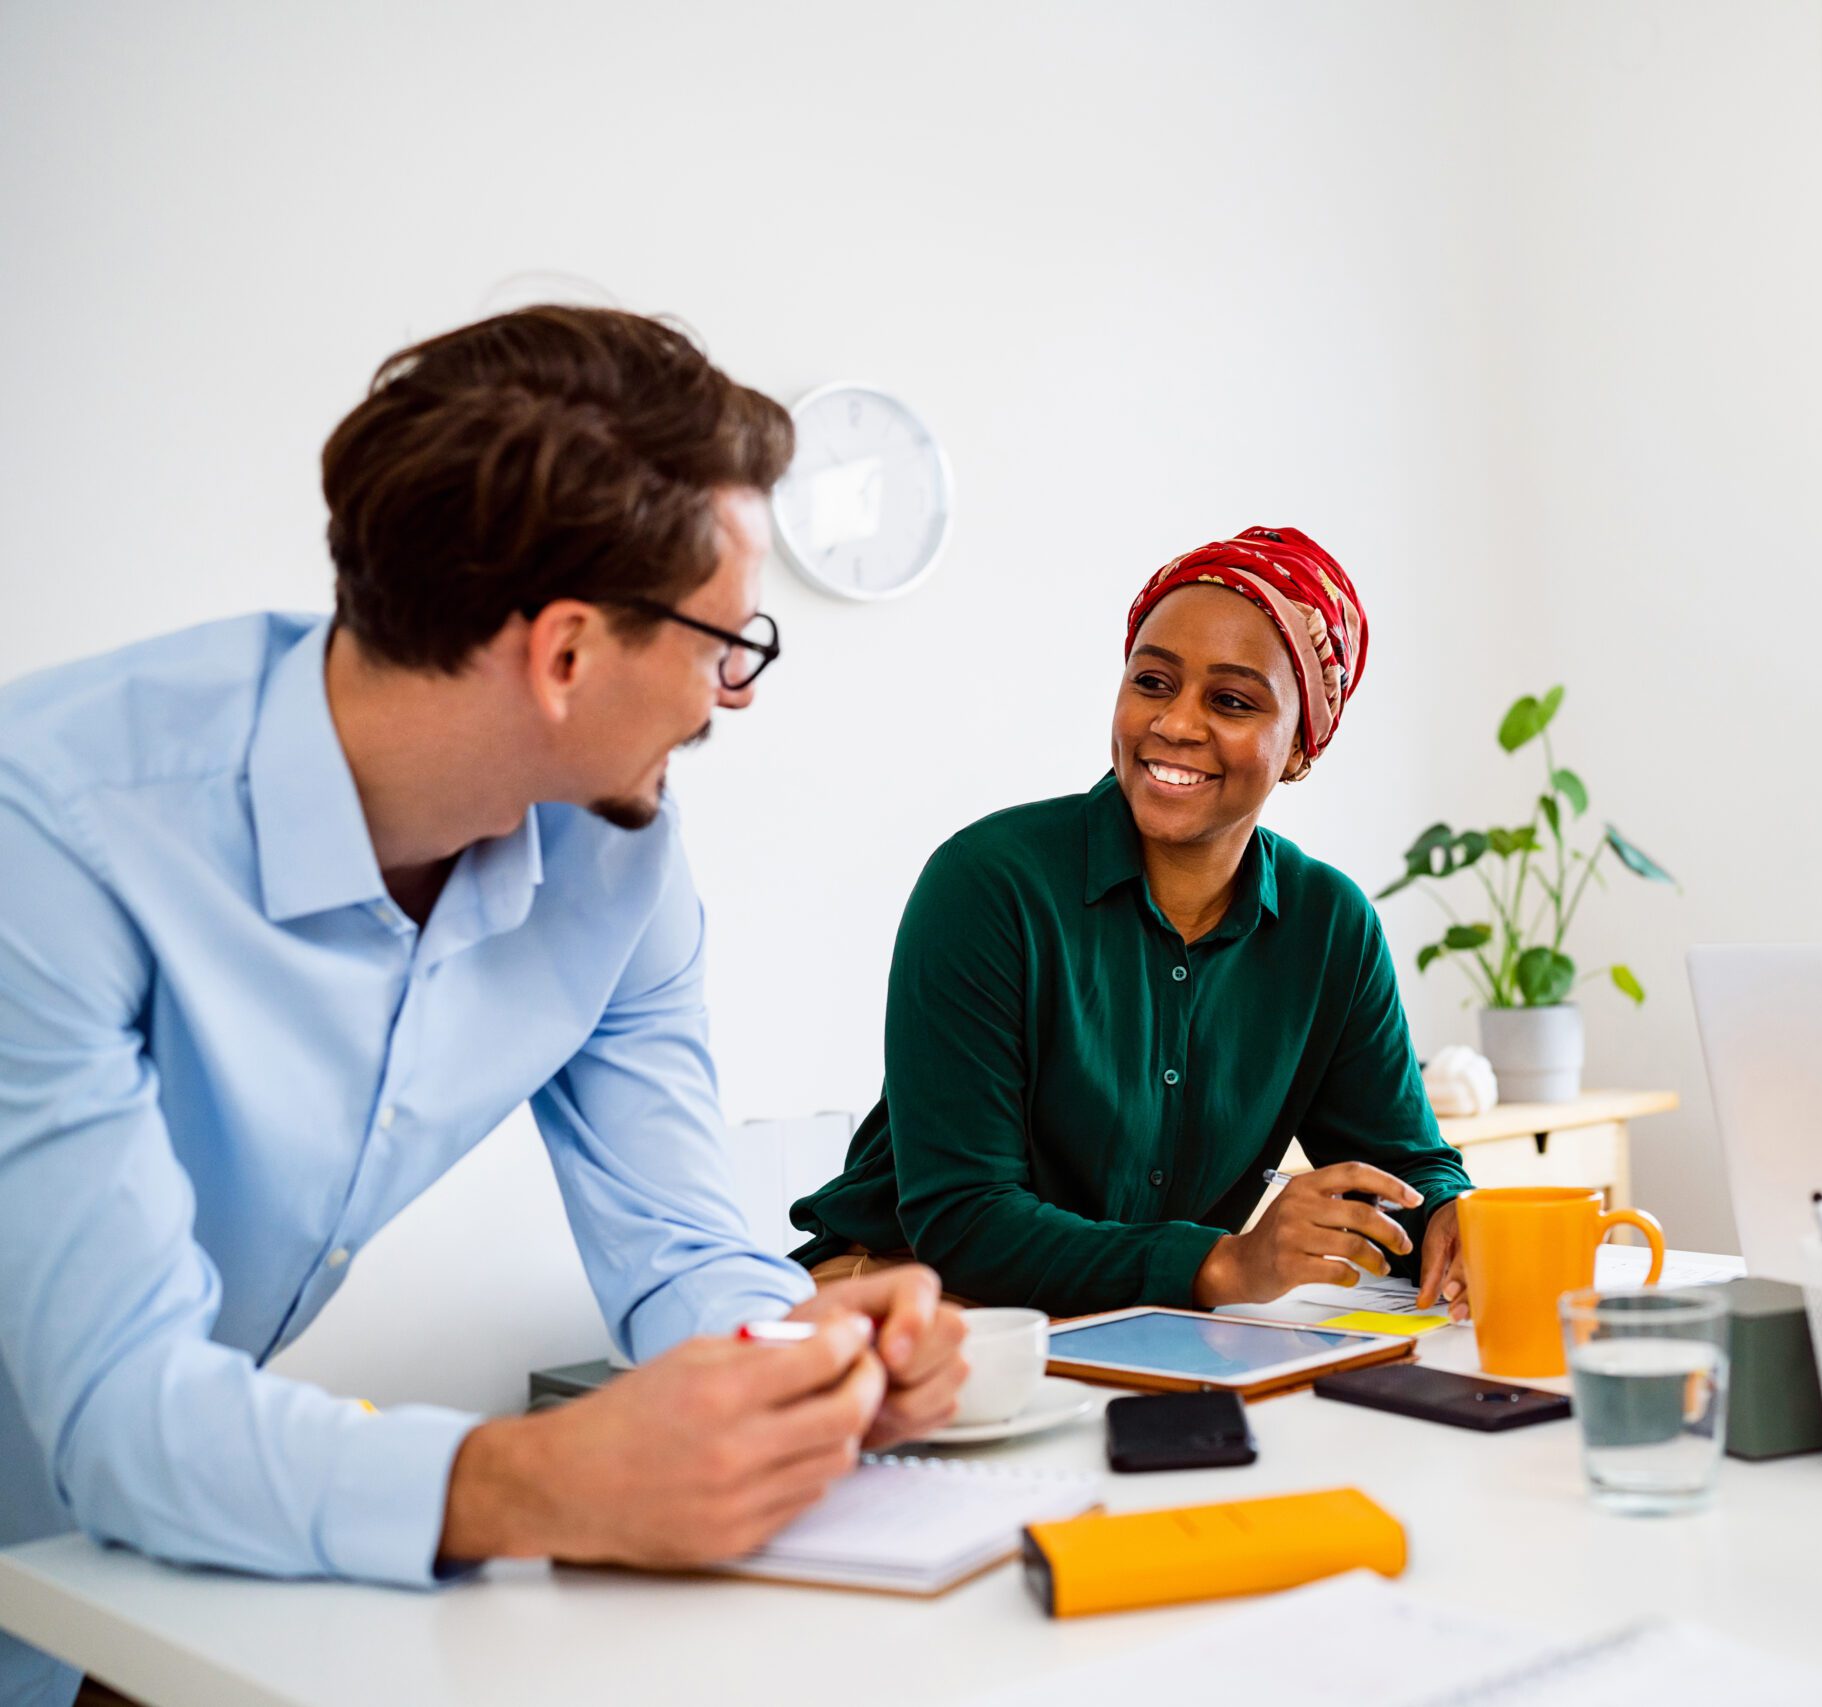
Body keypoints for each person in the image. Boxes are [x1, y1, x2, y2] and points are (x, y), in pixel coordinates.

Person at [0, 307, 965, 1707]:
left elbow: (681, 1239)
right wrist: (534, 1477)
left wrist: (808, 1366)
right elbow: (122, 1412)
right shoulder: (56, 832)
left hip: (135, 1562)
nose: (733, 693)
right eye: (723, 641)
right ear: (566, 653)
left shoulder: (618, 852)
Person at [789, 527, 1476, 1318]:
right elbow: (964, 1217)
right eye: (1153, 682)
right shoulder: (987, 883)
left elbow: (1402, 1163)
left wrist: (1452, 1215)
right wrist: (1219, 1263)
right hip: (909, 1299)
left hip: (1129, 1326)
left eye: (1231, 700)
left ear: (1299, 750)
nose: (1176, 724)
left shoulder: (1329, 925)